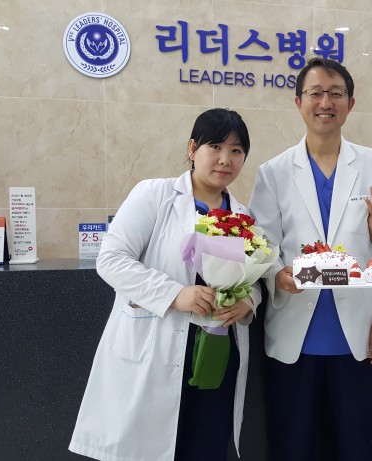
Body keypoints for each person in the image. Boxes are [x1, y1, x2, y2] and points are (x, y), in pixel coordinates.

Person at [69, 108, 261, 461]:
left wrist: (247, 303)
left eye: (236, 150)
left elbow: (252, 277)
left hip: (217, 354)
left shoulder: (243, 215)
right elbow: (111, 259)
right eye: (215, 146)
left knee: (207, 447)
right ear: (192, 148)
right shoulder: (155, 195)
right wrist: (175, 294)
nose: (225, 159)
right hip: (157, 347)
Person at [249, 57, 372, 461]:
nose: (325, 102)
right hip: (294, 331)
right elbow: (262, 242)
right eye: (316, 93)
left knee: (354, 444)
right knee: (292, 445)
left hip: (357, 331)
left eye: (336, 94)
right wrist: (275, 274)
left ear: (350, 104)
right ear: (298, 102)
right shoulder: (273, 172)